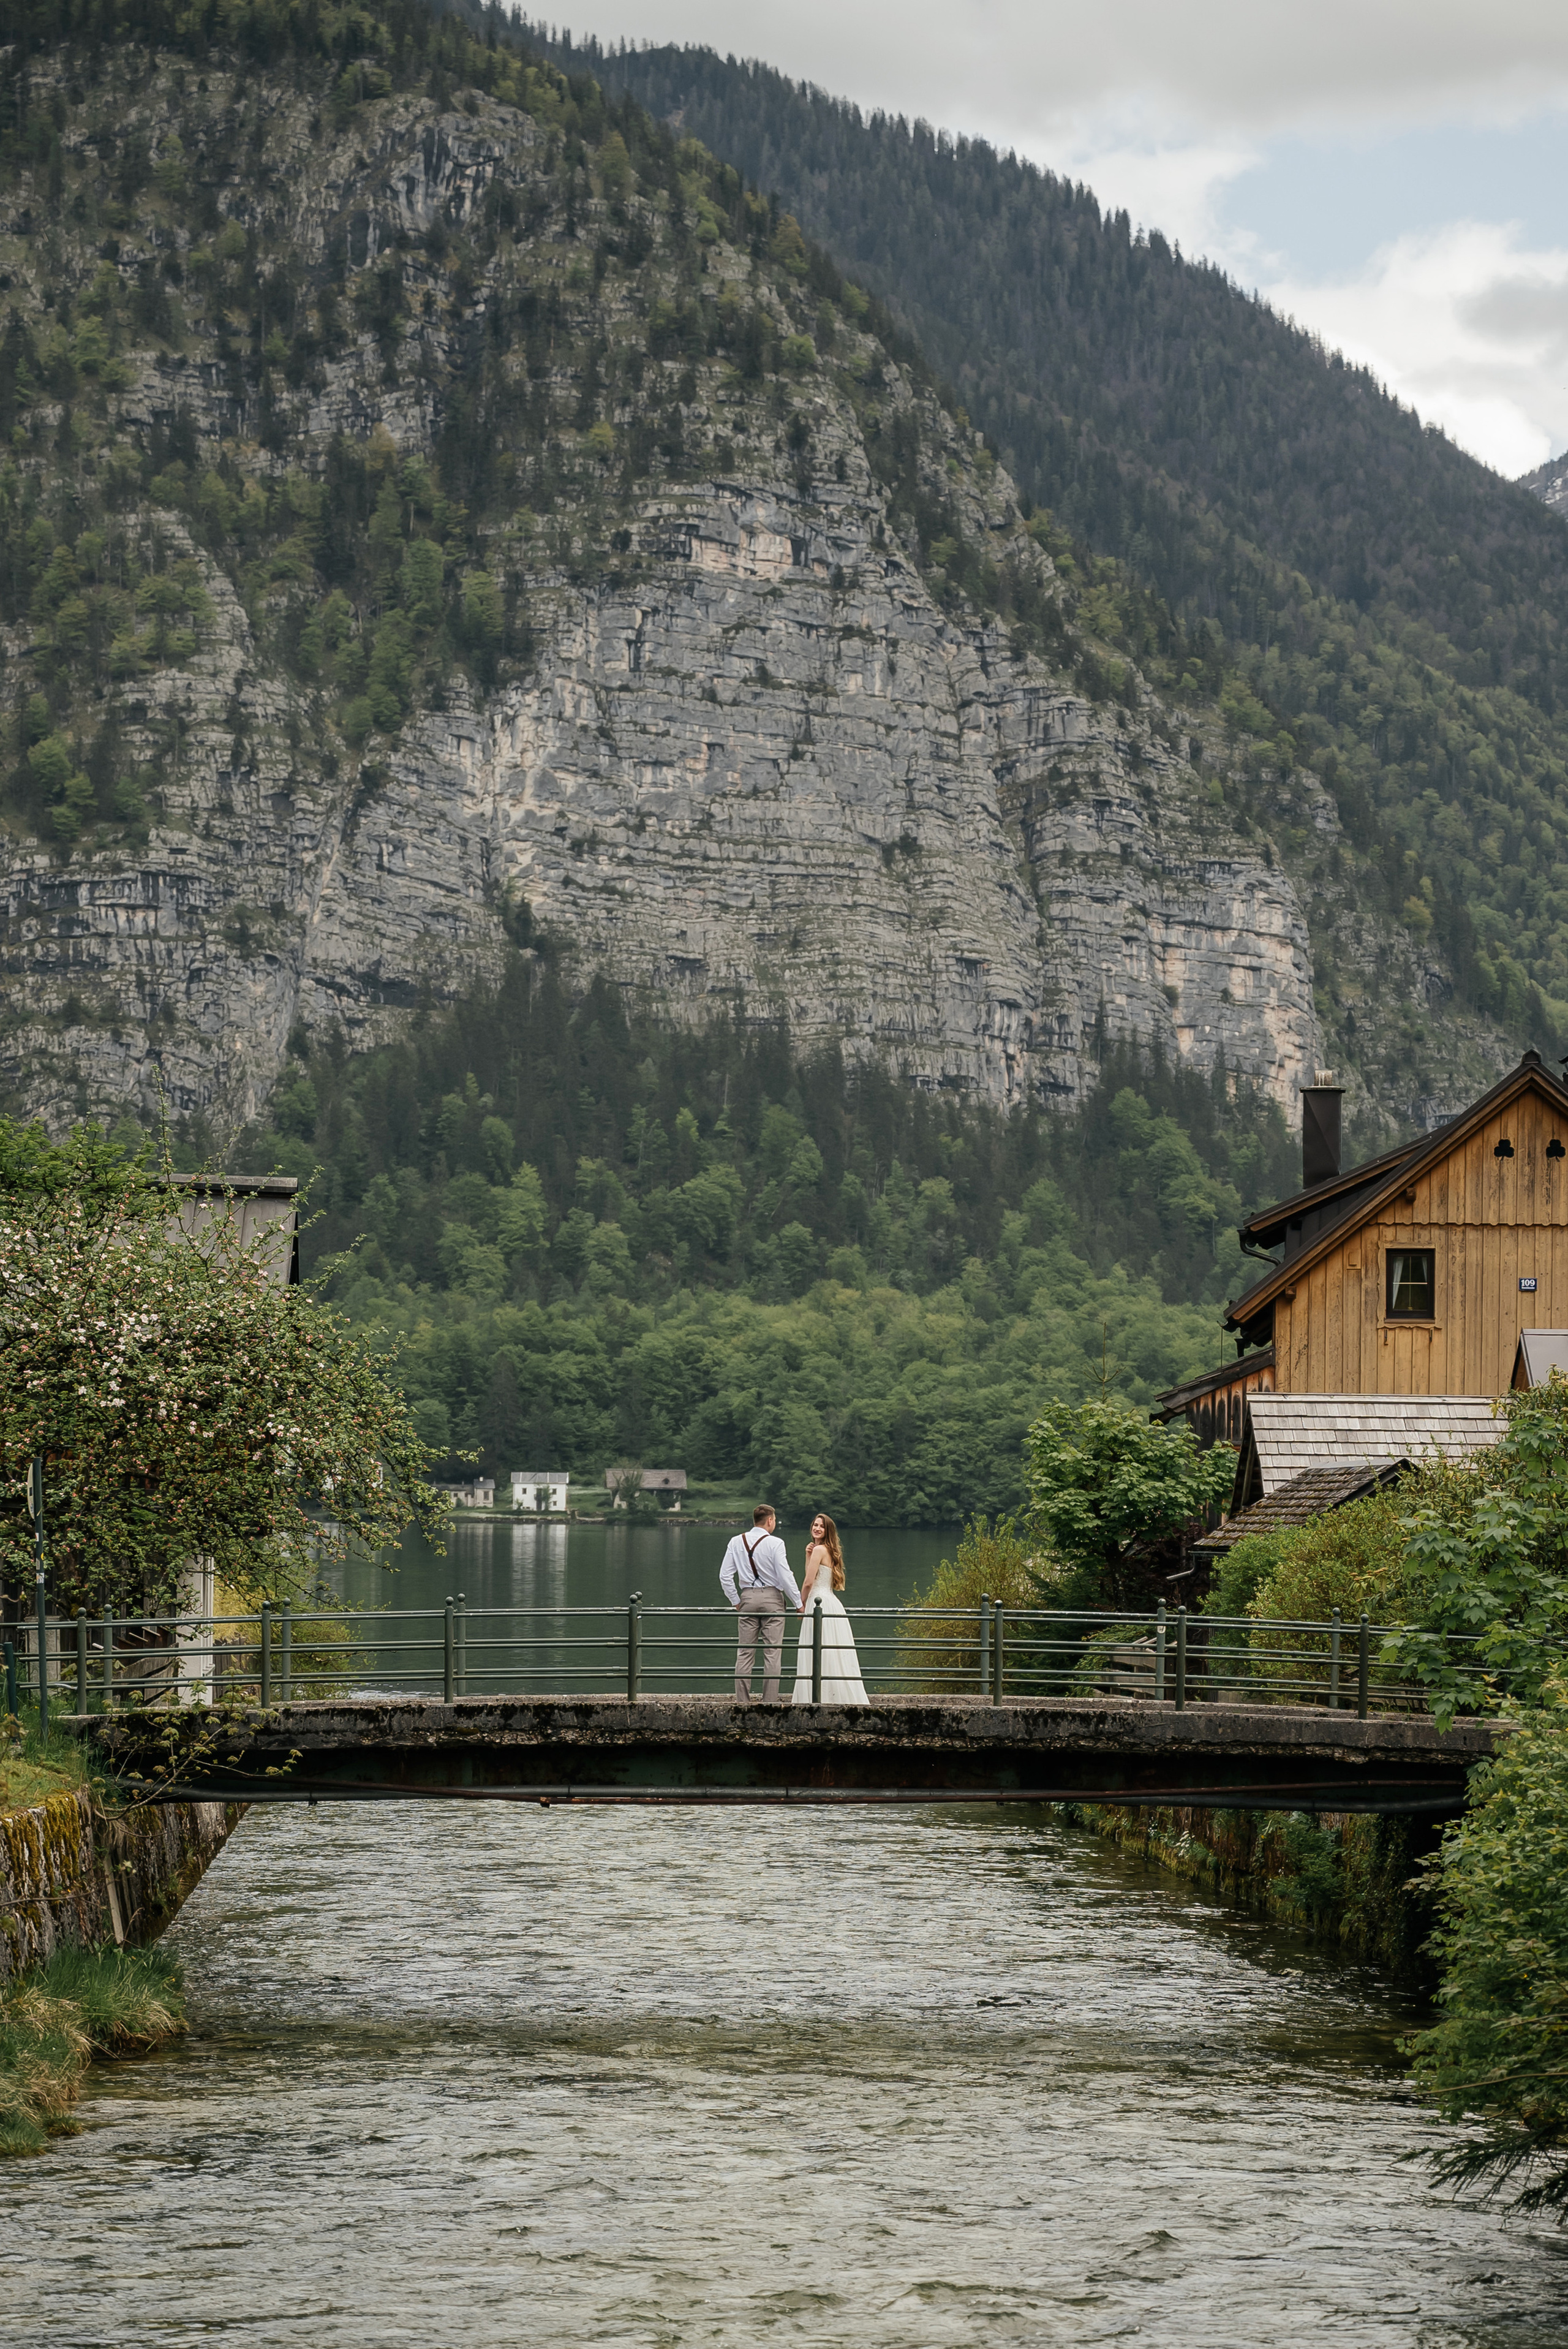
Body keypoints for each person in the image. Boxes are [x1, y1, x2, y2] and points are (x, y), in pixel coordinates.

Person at [720, 1505, 801, 1701]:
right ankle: (769, 1703)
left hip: (747, 1597)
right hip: (773, 1599)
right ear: (770, 1520)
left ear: (754, 1520)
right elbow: (785, 1575)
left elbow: (725, 1576)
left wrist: (736, 1601)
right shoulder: (776, 1543)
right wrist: (798, 1602)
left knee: (745, 1653)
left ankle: (743, 1703)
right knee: (773, 1653)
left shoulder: (736, 1541)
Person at [790, 1512, 869, 1706]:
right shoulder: (825, 1550)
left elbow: (809, 1582)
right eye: (815, 1525)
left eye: (822, 1526)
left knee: (816, 1649)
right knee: (831, 1651)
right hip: (830, 1601)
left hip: (818, 1603)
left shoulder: (820, 1550)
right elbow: (815, 1576)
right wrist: (808, 1556)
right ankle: (830, 1696)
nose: (817, 1528)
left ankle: (815, 1698)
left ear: (828, 1531)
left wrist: (800, 1605)